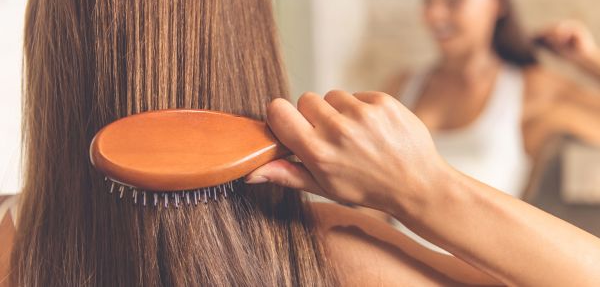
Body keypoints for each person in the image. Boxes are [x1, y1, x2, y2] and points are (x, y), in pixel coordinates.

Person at [0, 0, 501, 286]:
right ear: (245, 29)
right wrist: (426, 190)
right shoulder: (329, 255)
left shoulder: (11, 241)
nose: (436, 15)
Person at [246, 90, 600, 286]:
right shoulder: (413, 80)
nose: (435, 13)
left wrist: (419, 186)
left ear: (497, 3)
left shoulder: (533, 85)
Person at [385, 0, 600, 200]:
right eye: (428, 0)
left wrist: (590, 61)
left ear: (497, 1)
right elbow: (374, 196)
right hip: (389, 240)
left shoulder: (529, 89)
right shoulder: (401, 87)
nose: (434, 15)